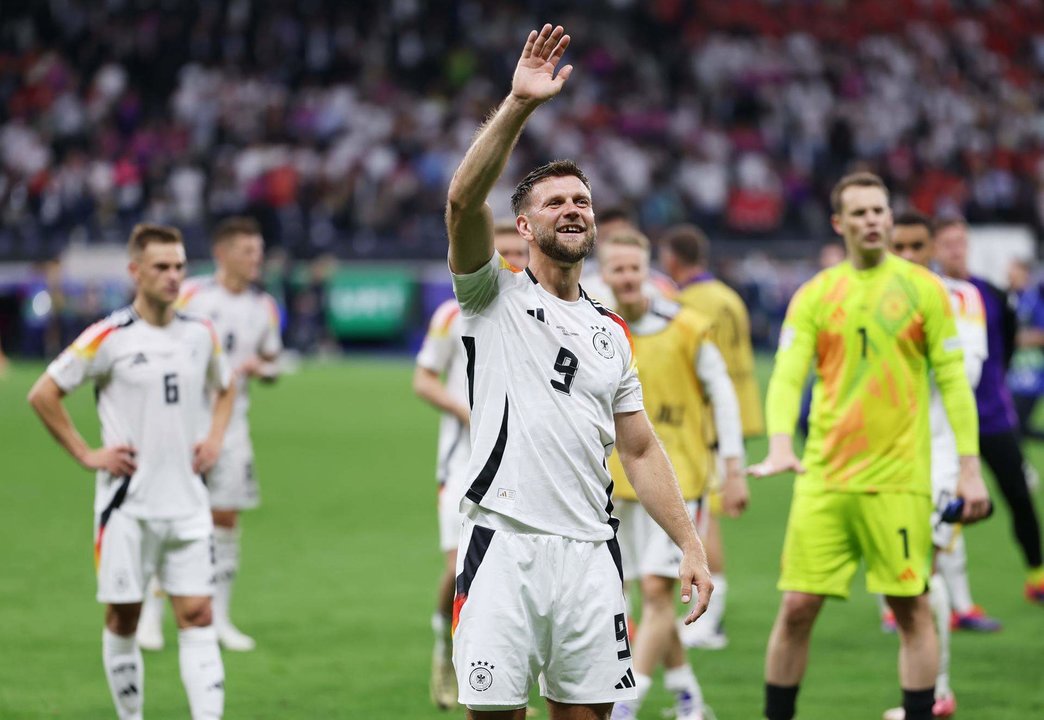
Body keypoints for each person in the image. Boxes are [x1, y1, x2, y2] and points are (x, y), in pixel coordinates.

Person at [444, 24, 712, 720]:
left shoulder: (610, 332)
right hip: (505, 544)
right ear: (525, 229)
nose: (573, 209)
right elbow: (463, 203)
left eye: (581, 201)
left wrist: (689, 543)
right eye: (555, 202)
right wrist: (519, 105)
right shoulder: (490, 298)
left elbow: (640, 446)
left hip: (594, 555)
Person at [749, 172, 990, 720]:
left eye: (879, 210)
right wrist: (782, 442)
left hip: (899, 481)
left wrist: (971, 469)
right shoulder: (816, 293)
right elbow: (787, 373)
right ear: (840, 223)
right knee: (795, 609)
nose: (872, 220)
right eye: (859, 213)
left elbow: (953, 380)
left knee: (912, 609)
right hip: (827, 479)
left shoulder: (924, 289)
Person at [27, 223, 234, 720]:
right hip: (127, 509)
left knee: (199, 615)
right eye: (161, 266)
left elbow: (225, 388)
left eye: (180, 266)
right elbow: (43, 393)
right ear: (135, 271)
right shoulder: (109, 337)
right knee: (124, 616)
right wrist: (85, 453)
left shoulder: (200, 334)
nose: (173, 276)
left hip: (188, 502)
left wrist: (214, 438)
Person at [599, 230, 748, 720]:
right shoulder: (597, 327)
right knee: (635, 597)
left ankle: (626, 705)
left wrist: (734, 466)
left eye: (633, 269)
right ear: (605, 273)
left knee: (659, 594)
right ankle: (689, 698)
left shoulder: (687, 326)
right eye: (616, 269)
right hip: (617, 481)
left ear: (649, 272)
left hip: (679, 479)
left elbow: (723, 395)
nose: (625, 277)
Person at [136, 216, 282, 653]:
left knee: (225, 521)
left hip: (233, 428)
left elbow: (272, 361)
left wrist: (263, 368)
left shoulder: (263, 307)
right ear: (222, 255)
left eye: (258, 251)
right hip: (177, 424)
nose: (256, 259)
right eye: (247, 251)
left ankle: (218, 617)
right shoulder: (191, 295)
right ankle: (150, 615)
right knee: (167, 518)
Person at [880, 211, 991, 720]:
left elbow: (965, 371)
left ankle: (936, 692)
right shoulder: (870, 294)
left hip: (940, 454)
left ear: (931, 249)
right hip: (884, 456)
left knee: (924, 568)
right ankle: (930, 690)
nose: (906, 255)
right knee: (907, 576)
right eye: (896, 245)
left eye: (916, 245)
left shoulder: (960, 298)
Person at [414, 221, 529, 710]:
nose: (511, 262)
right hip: (463, 464)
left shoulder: (540, 310)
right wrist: (465, 409)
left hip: (520, 468)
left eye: (518, 252)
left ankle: (501, 679)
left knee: (511, 577)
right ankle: (447, 645)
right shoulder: (452, 312)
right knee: (462, 571)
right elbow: (424, 379)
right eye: (501, 252)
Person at [660, 224, 765, 649]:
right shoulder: (729, 297)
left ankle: (710, 617)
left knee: (704, 521)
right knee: (707, 517)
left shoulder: (686, 304)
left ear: (672, 259)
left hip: (706, 423)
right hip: (739, 413)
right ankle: (709, 616)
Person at [934, 218, 1044, 604]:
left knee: (1018, 495)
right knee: (939, 505)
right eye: (947, 243)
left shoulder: (993, 295)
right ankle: (936, 594)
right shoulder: (929, 294)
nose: (956, 249)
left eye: (961, 242)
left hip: (993, 416)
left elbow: (1009, 346)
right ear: (936, 248)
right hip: (944, 420)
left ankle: (1037, 574)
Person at [1006, 257, 1044, 441]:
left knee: (1018, 428)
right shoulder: (1008, 299)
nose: (1010, 277)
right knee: (1018, 428)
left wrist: (1018, 339)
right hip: (1013, 376)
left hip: (1032, 376)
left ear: (1026, 275)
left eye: (1014, 272)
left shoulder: (1035, 301)